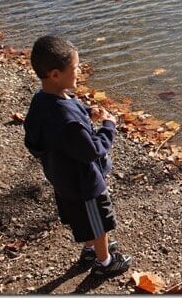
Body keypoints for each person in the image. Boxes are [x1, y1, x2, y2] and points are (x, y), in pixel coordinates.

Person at [23, 35, 132, 276]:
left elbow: (38, 133)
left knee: (84, 220)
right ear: (55, 74)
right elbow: (92, 150)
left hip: (62, 177)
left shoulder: (43, 99)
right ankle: (103, 262)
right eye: (75, 68)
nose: (79, 70)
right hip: (84, 184)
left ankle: (92, 247)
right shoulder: (67, 121)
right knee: (99, 222)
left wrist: (87, 111)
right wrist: (108, 127)